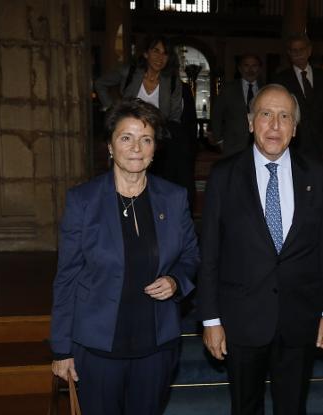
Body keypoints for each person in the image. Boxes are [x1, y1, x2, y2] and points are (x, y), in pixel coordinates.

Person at [50, 98, 200, 414]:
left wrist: (175, 281)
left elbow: (191, 256)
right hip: (99, 347)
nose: (136, 148)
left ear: (154, 148)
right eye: (126, 138)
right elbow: (67, 278)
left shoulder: (173, 198)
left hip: (156, 346)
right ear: (110, 145)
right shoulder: (83, 201)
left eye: (145, 139)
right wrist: (61, 349)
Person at [197, 84, 323, 415]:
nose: (274, 125)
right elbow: (210, 254)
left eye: (284, 116)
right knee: (245, 408)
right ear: (250, 122)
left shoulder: (317, 175)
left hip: (299, 319)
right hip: (241, 320)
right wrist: (210, 319)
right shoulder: (223, 175)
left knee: (292, 408)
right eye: (265, 114)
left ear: (294, 127)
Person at [95, 34, 198, 209]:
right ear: (145, 54)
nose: (160, 57)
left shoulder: (172, 81)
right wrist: (112, 110)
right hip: (130, 133)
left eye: (165, 53)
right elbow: (100, 83)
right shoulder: (129, 72)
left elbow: (174, 115)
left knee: (160, 179)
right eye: (155, 51)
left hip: (158, 136)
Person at [273, 33, 323, 157]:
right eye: (294, 50)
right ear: (289, 53)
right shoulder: (281, 79)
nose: (298, 53)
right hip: (293, 143)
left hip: (321, 143)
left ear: (309, 50)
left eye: (301, 49)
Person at [210, 53, 262, 157]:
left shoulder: (266, 90)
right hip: (232, 146)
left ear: (260, 68)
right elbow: (216, 115)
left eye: (254, 66)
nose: (250, 69)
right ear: (240, 68)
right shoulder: (228, 89)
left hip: (260, 145)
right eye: (246, 65)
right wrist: (219, 140)